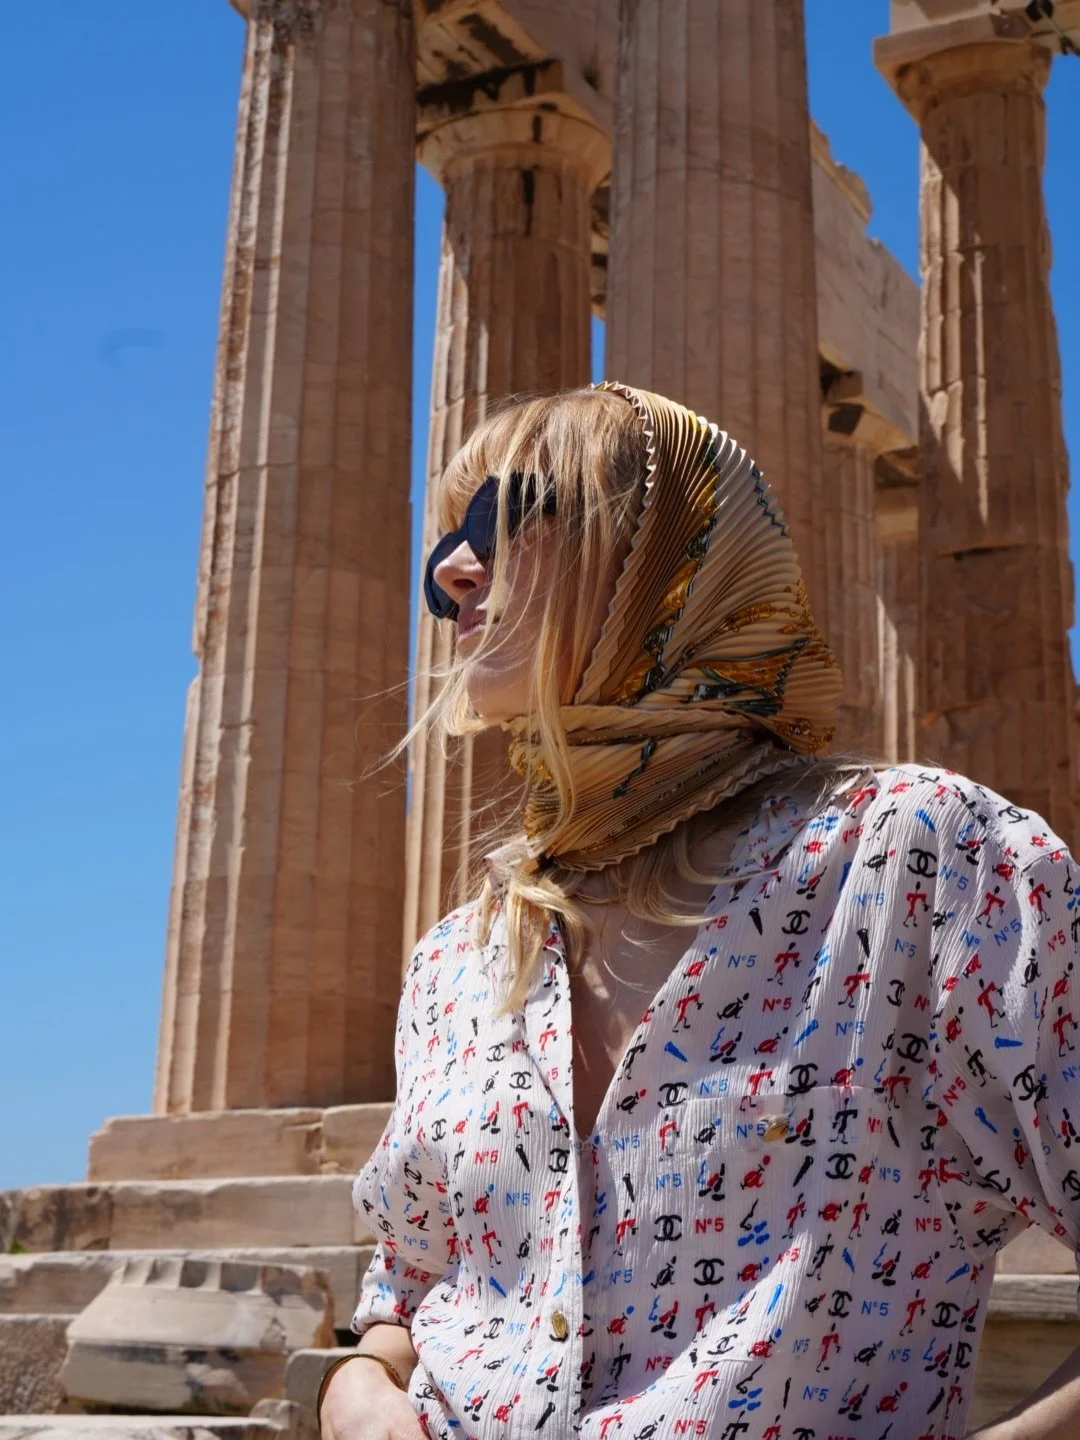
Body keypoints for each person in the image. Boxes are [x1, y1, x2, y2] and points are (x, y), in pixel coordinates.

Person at [319, 384, 1080, 1440]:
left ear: (668, 555)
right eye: (449, 539)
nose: (452, 569)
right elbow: (414, 1278)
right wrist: (356, 1385)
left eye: (506, 517)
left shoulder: (922, 865)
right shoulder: (458, 957)